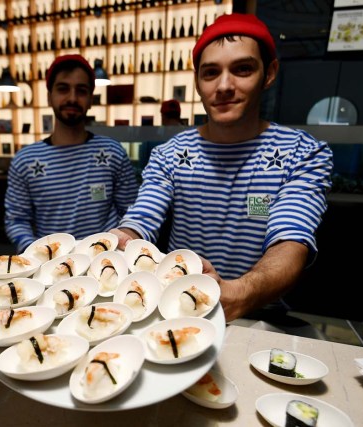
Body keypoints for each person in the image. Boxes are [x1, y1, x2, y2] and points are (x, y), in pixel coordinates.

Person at [111, 13, 334, 323]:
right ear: (197, 82)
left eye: (242, 69)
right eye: (211, 72)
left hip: (260, 315)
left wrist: (234, 293)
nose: (225, 85)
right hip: (177, 309)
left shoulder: (304, 153)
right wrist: (121, 237)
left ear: (269, 74)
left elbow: (291, 240)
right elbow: (143, 216)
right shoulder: (169, 154)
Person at [5, 54, 139, 253]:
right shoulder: (25, 160)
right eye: (63, 89)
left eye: (81, 90)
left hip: (105, 263)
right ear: (49, 96)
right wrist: (37, 255)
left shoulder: (112, 152)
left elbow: (131, 211)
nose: (72, 98)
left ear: (91, 99)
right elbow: (17, 221)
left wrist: (117, 248)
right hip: (51, 267)